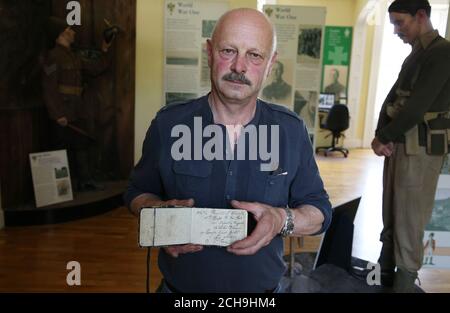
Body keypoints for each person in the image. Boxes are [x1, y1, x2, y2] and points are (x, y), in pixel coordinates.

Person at [124, 8, 332, 293]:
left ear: (271, 64)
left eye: (254, 55)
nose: (239, 67)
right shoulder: (169, 124)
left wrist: (281, 220)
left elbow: (319, 211)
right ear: (209, 52)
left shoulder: (291, 131)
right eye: (228, 51)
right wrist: (158, 216)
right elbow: (137, 192)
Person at [371, 0, 450, 292]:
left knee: (409, 223)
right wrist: (383, 135)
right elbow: (394, 97)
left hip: (421, 149)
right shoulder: (418, 52)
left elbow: (416, 109)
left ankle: (402, 285)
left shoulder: (442, 53)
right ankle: (382, 279)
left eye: (399, 22)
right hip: (401, 145)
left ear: (421, 16)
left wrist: (384, 137)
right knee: (391, 216)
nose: (395, 30)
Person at [42, 17, 116, 191]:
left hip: (77, 110)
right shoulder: (52, 57)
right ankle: (59, 188)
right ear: (61, 34)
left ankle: (85, 180)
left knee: (81, 145)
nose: (73, 32)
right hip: (63, 111)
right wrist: (57, 113)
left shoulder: (74, 57)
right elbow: (48, 88)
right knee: (61, 149)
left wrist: (105, 49)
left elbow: (97, 68)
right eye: (70, 29)